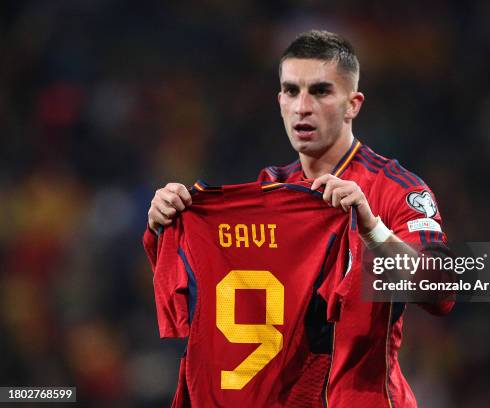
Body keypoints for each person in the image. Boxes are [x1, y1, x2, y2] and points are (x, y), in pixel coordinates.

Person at [144, 30, 453, 407]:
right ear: (279, 101)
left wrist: (373, 229)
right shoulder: (269, 190)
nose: (301, 107)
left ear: (353, 104)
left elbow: (441, 291)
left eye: (320, 91)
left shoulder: (395, 190)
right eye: (291, 91)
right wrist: (170, 220)